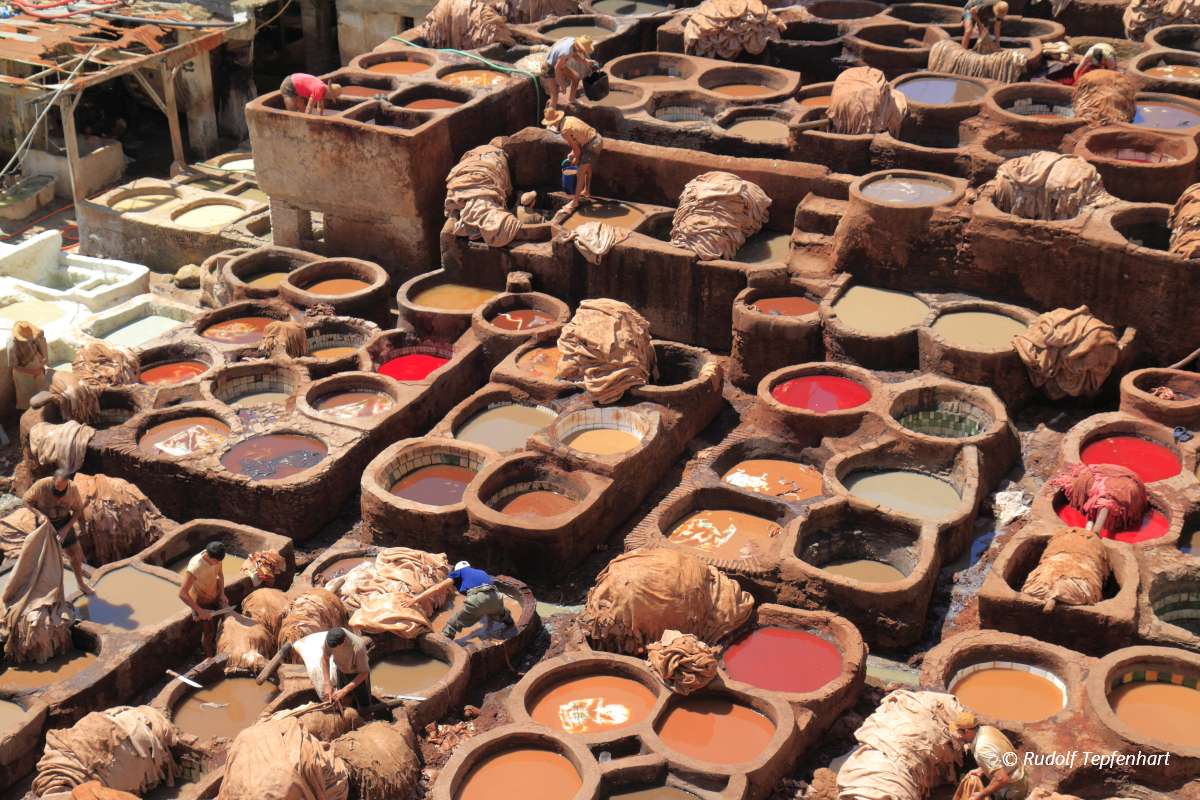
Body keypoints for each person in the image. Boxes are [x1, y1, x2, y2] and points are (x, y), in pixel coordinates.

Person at [22, 469, 93, 595]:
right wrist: (39, 514)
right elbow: (26, 501)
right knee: (45, 558)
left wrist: (66, 529)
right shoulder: (42, 485)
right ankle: (44, 590)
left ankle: (81, 584)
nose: (59, 494)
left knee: (75, 554)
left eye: (62, 490)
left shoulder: (72, 489)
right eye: (57, 489)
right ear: (53, 480)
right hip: (44, 522)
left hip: (64, 522)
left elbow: (77, 511)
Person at [952, 712, 1031, 800]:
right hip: (1018, 774)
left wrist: (981, 794)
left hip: (1011, 788)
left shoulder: (982, 748)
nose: (957, 735)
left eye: (958, 731)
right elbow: (998, 753)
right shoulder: (986, 729)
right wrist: (981, 769)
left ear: (966, 731)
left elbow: (1001, 779)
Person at [543, 108, 602, 210]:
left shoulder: (564, 131)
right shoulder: (569, 118)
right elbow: (578, 139)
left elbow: (577, 151)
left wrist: (576, 160)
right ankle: (587, 191)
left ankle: (575, 202)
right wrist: (572, 153)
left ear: (553, 123)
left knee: (580, 173)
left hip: (591, 145)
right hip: (597, 139)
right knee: (587, 168)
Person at [178, 541, 230, 658]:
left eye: (219, 561)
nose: (218, 563)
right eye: (216, 561)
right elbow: (182, 593)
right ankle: (209, 658)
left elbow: (220, 575)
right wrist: (200, 611)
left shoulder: (217, 558)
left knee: (222, 622)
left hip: (214, 594)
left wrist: (222, 594)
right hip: (201, 601)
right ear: (207, 556)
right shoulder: (195, 567)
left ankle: (215, 645)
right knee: (208, 632)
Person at [440, 561, 514, 639]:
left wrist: (425, 596)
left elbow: (439, 587)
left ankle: (444, 639)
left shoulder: (459, 571)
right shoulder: (481, 572)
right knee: (502, 612)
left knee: (453, 622)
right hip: (496, 596)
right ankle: (510, 624)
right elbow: (488, 593)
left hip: (478, 600)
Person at [320, 627, 372, 710]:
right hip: (341, 670)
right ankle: (349, 713)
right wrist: (327, 683)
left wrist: (344, 690)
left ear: (343, 642)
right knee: (343, 699)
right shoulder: (330, 638)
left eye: (335, 648)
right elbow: (325, 658)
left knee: (364, 704)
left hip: (357, 674)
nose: (332, 650)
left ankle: (367, 718)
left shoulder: (358, 647)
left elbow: (364, 673)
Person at [542, 35, 597, 109]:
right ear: (578, 46)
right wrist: (561, 84)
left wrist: (586, 61)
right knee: (555, 94)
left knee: (576, 78)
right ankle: (551, 116)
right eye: (583, 50)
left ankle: (572, 99)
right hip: (548, 67)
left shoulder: (573, 42)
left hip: (559, 64)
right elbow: (557, 69)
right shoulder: (566, 52)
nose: (583, 52)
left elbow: (575, 55)